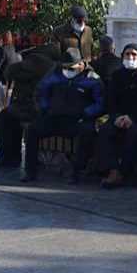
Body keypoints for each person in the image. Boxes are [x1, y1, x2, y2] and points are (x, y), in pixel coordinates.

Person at [21, 48, 103, 184]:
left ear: (81, 64)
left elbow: (100, 102)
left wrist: (87, 113)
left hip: (77, 119)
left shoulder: (92, 79)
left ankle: (76, 172)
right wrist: (45, 108)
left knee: (87, 132)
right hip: (54, 117)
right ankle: (30, 171)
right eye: (65, 66)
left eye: (71, 67)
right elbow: (42, 92)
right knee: (32, 129)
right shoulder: (55, 74)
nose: (67, 70)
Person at [96, 43, 137, 188]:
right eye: (127, 54)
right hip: (119, 117)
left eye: (134, 55)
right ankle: (112, 170)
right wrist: (117, 117)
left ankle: (124, 172)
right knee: (106, 131)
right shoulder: (116, 75)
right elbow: (110, 101)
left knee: (134, 134)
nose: (130, 57)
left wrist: (133, 118)